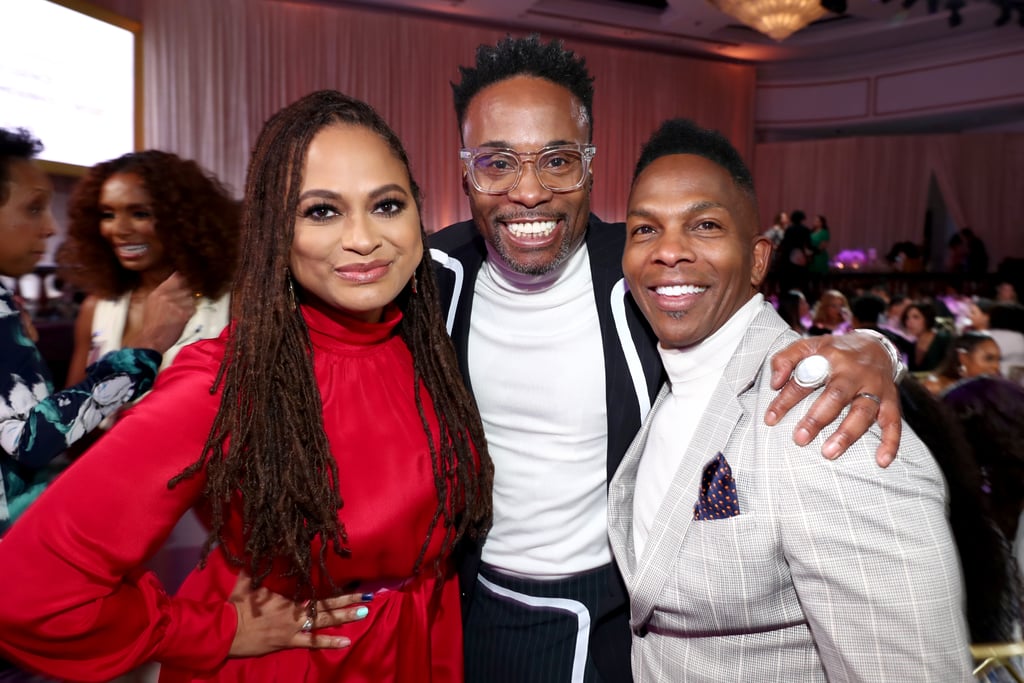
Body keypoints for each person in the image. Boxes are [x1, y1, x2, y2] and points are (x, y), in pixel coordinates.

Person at [430, 34, 906, 683]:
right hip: (463, 605)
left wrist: (871, 348)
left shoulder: (641, 268)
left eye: (558, 160)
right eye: (497, 162)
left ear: (591, 165)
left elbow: (751, 336)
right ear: (466, 171)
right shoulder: (429, 279)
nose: (529, 191)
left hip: (613, 614)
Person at [0, 91, 493, 682]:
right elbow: (28, 590)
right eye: (321, 211)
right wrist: (210, 629)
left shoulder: (431, 351)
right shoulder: (227, 379)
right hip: (302, 663)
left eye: (387, 205)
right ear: (275, 232)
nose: (363, 238)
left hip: (422, 651)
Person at [608, 117, 971, 681]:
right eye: (644, 230)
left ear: (757, 259)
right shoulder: (667, 371)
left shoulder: (826, 416)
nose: (669, 251)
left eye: (703, 225)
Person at [0, 128, 198, 535]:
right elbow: (35, 441)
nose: (51, 228)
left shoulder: (225, 306)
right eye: (35, 208)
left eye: (140, 212)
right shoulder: (96, 308)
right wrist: (144, 348)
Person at [59, 150, 239, 395]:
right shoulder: (96, 308)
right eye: (108, 215)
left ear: (182, 219)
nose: (120, 229)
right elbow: (69, 418)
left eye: (140, 214)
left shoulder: (233, 304)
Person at [903, 300, 953, 373]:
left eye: (916, 317)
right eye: (907, 318)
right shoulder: (912, 344)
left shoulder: (944, 340)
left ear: (927, 319)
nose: (909, 322)